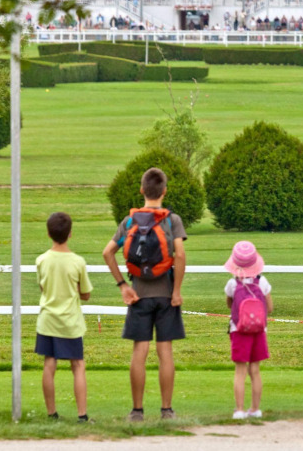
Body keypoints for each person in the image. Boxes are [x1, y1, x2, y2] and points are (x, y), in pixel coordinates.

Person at [102, 167, 187, 422]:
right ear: (164, 191)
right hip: (165, 295)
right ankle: (166, 410)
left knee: (139, 351)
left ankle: (137, 411)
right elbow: (180, 255)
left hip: (137, 294)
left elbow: (108, 253)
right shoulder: (172, 220)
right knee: (165, 353)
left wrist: (122, 286)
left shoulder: (130, 221)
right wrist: (177, 291)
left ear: (142, 190)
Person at [34, 212, 93, 423]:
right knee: (77, 365)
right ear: (70, 234)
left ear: (49, 233)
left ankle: (52, 413)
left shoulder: (41, 260)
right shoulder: (77, 262)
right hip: (70, 321)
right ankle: (82, 415)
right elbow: (85, 294)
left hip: (48, 320)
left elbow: (43, 287)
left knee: (50, 364)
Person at [224, 241, 273, 420]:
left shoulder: (232, 283)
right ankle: (255, 409)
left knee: (240, 371)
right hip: (259, 330)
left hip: (238, 330)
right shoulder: (263, 282)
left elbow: (230, 304)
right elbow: (270, 307)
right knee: (255, 370)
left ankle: (239, 409)